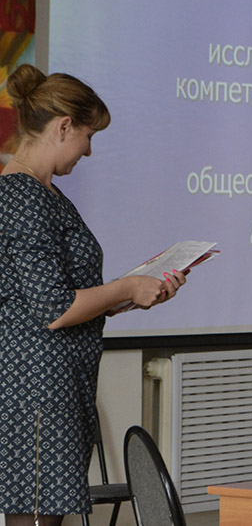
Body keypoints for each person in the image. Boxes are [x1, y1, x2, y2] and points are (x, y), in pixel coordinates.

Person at [0, 64, 187, 526]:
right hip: (36, 388)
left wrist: (136, 294)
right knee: (36, 519)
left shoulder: (47, 194)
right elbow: (56, 308)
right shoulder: (22, 195)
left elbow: (66, 295)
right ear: (63, 127)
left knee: (45, 517)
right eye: (88, 136)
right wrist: (125, 286)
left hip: (58, 383)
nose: (88, 149)